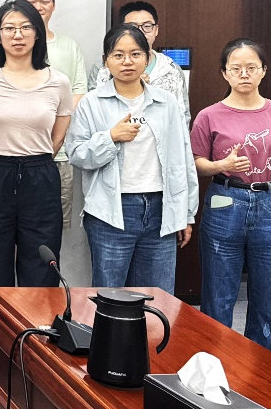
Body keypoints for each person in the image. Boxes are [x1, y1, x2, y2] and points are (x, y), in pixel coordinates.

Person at [192, 38, 271, 352]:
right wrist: (221, 165)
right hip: (224, 199)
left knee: (268, 297)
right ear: (224, 73)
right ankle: (215, 368)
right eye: (236, 68)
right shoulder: (209, 116)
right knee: (218, 297)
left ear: (263, 71)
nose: (244, 74)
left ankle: (261, 371)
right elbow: (196, 163)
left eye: (251, 67)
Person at [65, 24, 197, 292]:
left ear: (147, 59)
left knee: (158, 296)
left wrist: (186, 213)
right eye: (118, 55)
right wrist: (110, 137)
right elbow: (76, 154)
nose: (127, 61)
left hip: (161, 208)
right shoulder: (91, 102)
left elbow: (183, 159)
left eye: (136, 54)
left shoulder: (167, 103)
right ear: (106, 61)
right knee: (110, 295)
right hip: (111, 210)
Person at [0, 0, 72, 288]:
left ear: (38, 33)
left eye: (26, 27)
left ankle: (38, 320)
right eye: (9, 28)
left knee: (41, 264)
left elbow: (58, 137)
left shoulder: (58, 81)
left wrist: (34, 161)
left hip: (41, 176)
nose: (17, 35)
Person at [18, 0, 88, 237]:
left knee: (51, 229)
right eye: (31, 0)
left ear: (54, 5)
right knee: (15, 228)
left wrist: (57, 123)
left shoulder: (69, 46)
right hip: (18, 154)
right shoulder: (13, 45)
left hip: (59, 155)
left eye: (45, 0)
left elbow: (79, 90)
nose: (38, 6)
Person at [89, 1, 191, 128]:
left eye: (147, 26)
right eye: (133, 27)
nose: (141, 32)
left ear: (156, 30)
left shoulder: (171, 68)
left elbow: (183, 116)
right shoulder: (101, 67)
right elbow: (92, 113)